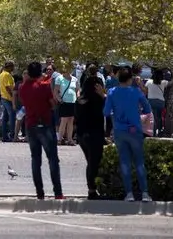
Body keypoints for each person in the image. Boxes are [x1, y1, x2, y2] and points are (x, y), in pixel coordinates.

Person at [104, 68, 153, 202]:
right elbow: (147, 108)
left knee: (125, 162)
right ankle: (144, 193)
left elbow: (106, 112)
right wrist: (137, 114)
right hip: (134, 130)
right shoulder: (136, 91)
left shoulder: (112, 92)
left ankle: (129, 193)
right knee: (139, 162)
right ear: (130, 79)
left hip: (120, 130)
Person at [18, 61, 64, 200]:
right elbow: (53, 104)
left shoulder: (22, 87)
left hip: (30, 124)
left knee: (35, 159)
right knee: (53, 159)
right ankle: (58, 192)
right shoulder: (44, 86)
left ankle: (40, 192)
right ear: (40, 72)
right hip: (45, 124)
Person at [76, 64, 107, 200]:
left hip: (82, 134)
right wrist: (103, 95)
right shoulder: (99, 100)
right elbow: (108, 111)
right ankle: (92, 190)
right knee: (94, 163)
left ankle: (92, 189)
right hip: (95, 134)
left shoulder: (81, 100)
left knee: (91, 162)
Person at [55, 64, 78, 145]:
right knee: (64, 121)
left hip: (73, 102)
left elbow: (77, 90)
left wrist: (77, 98)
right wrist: (59, 99)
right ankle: (59, 139)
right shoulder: (59, 78)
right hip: (64, 102)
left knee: (71, 121)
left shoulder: (75, 79)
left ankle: (70, 139)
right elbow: (56, 91)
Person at [145, 71, 167, 137]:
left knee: (152, 117)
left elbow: (146, 91)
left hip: (151, 101)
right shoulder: (164, 82)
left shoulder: (148, 82)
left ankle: (153, 132)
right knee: (159, 117)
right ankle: (159, 130)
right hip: (161, 102)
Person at [0, 61, 17, 142]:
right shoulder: (7, 74)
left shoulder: (2, 73)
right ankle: (12, 135)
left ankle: (4, 136)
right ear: (9, 67)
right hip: (7, 98)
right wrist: (13, 97)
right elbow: (8, 87)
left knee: (5, 118)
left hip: (3, 97)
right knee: (12, 116)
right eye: (12, 67)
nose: (13, 68)